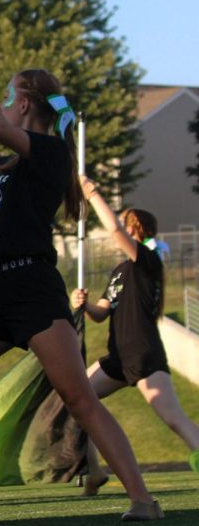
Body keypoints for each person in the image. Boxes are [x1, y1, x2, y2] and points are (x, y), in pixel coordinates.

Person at [0, 45, 160, 524]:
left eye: (9, 96)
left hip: (33, 288)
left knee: (78, 397)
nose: (5, 104)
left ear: (25, 102)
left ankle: (142, 500)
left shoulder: (50, 153)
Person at [72, 181, 199, 489]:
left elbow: (114, 230)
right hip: (118, 355)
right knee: (77, 400)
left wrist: (93, 195)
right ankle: (93, 470)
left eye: (125, 226)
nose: (118, 233)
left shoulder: (146, 261)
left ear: (135, 230)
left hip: (143, 352)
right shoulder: (119, 270)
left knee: (174, 419)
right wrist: (83, 303)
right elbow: (102, 312)